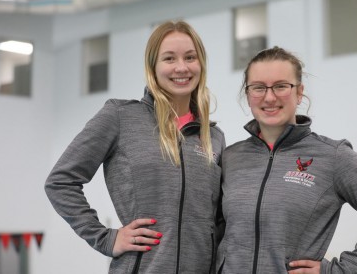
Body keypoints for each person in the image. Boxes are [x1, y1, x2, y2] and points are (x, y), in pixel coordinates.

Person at [45, 20, 225, 273]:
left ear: (201, 63)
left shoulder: (213, 136)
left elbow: (217, 221)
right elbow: (60, 181)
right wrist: (105, 237)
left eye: (190, 57)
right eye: (169, 58)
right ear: (153, 66)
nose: (181, 67)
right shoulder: (120, 116)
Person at [216, 46, 357, 274]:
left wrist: (335, 271)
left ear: (299, 92)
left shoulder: (334, 156)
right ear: (248, 95)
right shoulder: (231, 157)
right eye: (258, 88)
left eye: (280, 86)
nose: (269, 97)